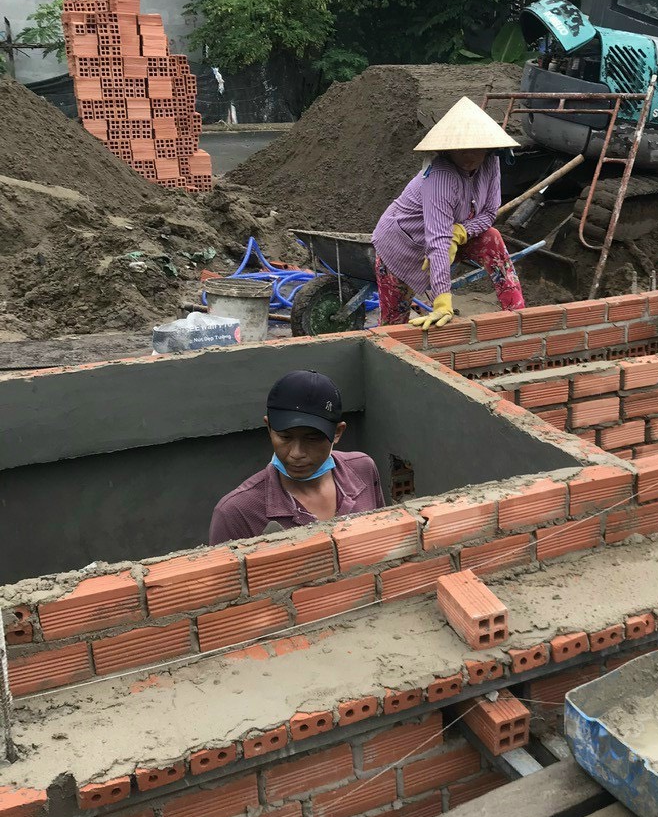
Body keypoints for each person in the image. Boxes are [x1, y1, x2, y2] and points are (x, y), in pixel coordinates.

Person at [372, 96, 526, 329]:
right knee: (394, 325)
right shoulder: (441, 176)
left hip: (446, 238)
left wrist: (461, 232)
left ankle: (518, 314)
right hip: (402, 245)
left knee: (491, 237)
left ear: (488, 147)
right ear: (448, 149)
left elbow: (489, 213)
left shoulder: (490, 163)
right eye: (460, 150)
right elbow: (438, 241)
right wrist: (442, 302)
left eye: (475, 149)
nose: (468, 156)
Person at [209, 371, 384, 543]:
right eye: (285, 437)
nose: (296, 453)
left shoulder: (363, 470)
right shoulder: (236, 514)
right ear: (269, 428)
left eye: (312, 438)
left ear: (337, 432)